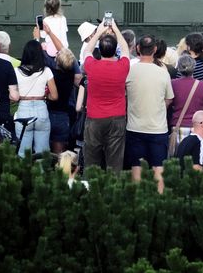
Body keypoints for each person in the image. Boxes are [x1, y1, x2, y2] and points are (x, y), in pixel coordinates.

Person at [124, 35, 174, 193]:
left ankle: (137, 203)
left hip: (134, 127)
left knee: (136, 168)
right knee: (158, 169)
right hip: (158, 129)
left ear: (137, 49)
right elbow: (169, 98)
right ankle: (159, 203)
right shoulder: (163, 72)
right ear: (155, 49)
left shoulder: (129, 71)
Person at [82, 20, 130, 171]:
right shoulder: (122, 67)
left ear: (100, 50)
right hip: (117, 118)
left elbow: (86, 52)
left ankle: (91, 189)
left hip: (94, 118)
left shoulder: (91, 66)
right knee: (115, 161)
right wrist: (115, 29)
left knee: (91, 160)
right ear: (115, 50)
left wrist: (98, 33)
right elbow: (126, 50)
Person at [13, 40, 58, 157]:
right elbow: (54, 96)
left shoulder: (16, 72)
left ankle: (24, 175)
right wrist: (44, 96)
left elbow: (13, 96)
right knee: (42, 154)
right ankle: (42, 174)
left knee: (23, 153)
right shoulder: (46, 71)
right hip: (41, 110)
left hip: (23, 109)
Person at [169, 55, 203, 145]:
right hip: (197, 126)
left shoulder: (173, 84)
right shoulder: (202, 85)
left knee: (178, 156)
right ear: (194, 67)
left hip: (178, 126)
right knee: (195, 156)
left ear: (179, 68)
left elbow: (169, 102)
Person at [47, 47, 81, 155]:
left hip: (49, 113)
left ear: (57, 60)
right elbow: (76, 68)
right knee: (59, 154)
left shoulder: (51, 73)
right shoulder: (71, 75)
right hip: (63, 116)